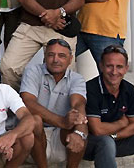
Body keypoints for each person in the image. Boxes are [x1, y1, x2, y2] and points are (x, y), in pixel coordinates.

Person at [84, 45, 134, 166]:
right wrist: (121, 123)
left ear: (126, 68)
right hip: (91, 143)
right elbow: (97, 130)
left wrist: (115, 135)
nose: (114, 72)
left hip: (115, 139)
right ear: (101, 66)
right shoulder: (91, 89)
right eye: (109, 66)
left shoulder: (129, 89)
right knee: (106, 142)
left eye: (119, 67)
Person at [20, 38, 88, 167]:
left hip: (60, 136)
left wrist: (79, 132)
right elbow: (28, 102)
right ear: (45, 57)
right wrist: (61, 121)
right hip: (34, 136)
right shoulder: (33, 71)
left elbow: (78, 104)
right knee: (35, 121)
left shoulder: (77, 78)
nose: (55, 60)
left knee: (79, 126)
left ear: (70, 59)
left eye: (61, 56)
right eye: (51, 55)